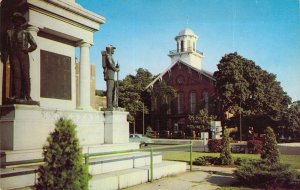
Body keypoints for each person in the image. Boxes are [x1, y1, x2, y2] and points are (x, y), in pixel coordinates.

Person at [1, 12, 37, 102]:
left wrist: (27, 50)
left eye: (19, 20)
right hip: (13, 55)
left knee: (25, 75)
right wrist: (5, 57)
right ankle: (16, 95)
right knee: (16, 75)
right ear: (13, 21)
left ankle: (28, 96)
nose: (17, 22)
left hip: (23, 55)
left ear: (21, 22)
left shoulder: (26, 33)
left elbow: (34, 45)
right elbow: (6, 47)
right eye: (15, 20)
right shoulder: (9, 33)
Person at [102, 45, 119, 109]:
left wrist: (116, 67)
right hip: (109, 75)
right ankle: (109, 105)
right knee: (110, 90)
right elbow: (110, 64)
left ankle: (112, 104)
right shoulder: (108, 56)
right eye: (113, 49)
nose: (113, 50)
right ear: (110, 49)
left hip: (111, 75)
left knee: (112, 90)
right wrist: (116, 69)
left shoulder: (110, 56)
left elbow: (112, 65)